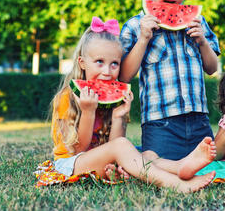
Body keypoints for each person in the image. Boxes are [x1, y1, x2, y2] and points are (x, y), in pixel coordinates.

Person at [50, 16, 216, 193]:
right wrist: (88, 112)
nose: (107, 72)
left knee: (149, 154)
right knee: (123, 147)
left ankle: (179, 166)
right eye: (99, 62)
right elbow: (78, 150)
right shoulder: (66, 97)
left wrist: (117, 116)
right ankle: (176, 184)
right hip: (70, 166)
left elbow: (114, 143)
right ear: (82, 63)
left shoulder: (116, 96)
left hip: (100, 164)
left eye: (114, 64)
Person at [119, 0, 221, 160]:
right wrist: (143, 39)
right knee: (157, 168)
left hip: (199, 121)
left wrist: (202, 41)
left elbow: (212, 69)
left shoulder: (198, 22)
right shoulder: (135, 26)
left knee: (208, 167)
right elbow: (124, 77)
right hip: (160, 123)